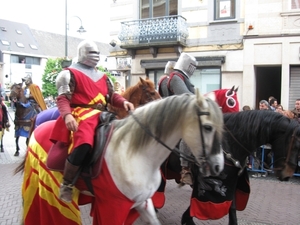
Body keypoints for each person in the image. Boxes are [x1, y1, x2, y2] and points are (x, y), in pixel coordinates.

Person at [50, 39, 135, 203]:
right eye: (92, 53)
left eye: (97, 53)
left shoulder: (103, 76)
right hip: (81, 113)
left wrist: (123, 102)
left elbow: (111, 97)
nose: (95, 56)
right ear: (82, 53)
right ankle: (67, 184)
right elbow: (62, 98)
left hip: (103, 114)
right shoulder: (68, 73)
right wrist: (67, 116)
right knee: (84, 142)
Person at [159, 53, 197, 185]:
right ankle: (185, 168)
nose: (193, 68)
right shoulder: (174, 78)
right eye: (191, 65)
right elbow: (186, 96)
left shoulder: (180, 78)